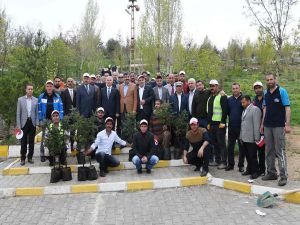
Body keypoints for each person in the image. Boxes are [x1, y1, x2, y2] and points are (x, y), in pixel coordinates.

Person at [261, 73, 291, 186]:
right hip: (268, 126)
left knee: (280, 151)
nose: (269, 81)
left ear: (275, 79)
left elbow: (287, 108)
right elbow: (265, 109)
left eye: (271, 79)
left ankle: (283, 176)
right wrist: (262, 124)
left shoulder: (282, 91)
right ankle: (271, 172)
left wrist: (287, 124)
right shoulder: (265, 93)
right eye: (267, 80)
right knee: (269, 150)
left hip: (279, 126)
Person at [38, 80, 64, 162]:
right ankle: (43, 154)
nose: (49, 88)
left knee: (57, 136)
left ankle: (57, 154)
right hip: (46, 120)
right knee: (44, 138)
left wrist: (61, 119)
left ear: (53, 87)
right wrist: (41, 120)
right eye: (48, 86)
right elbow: (39, 110)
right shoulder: (41, 97)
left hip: (55, 120)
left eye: (51, 86)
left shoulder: (57, 96)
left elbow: (61, 109)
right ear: (45, 87)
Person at [207, 79, 228, 169]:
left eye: (214, 86)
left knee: (221, 144)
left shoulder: (222, 96)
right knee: (215, 144)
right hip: (212, 124)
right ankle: (217, 160)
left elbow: (225, 110)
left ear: (217, 86)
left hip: (220, 124)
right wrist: (208, 123)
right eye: (211, 86)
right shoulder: (210, 97)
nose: (212, 87)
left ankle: (224, 162)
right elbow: (209, 111)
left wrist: (223, 121)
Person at [16, 84, 39, 165]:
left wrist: (37, 123)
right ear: (26, 90)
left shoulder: (36, 100)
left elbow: (37, 113)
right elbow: (18, 113)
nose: (30, 90)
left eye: (32, 89)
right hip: (23, 123)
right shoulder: (20, 100)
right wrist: (18, 125)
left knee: (31, 141)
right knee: (23, 141)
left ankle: (30, 157)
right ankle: (23, 158)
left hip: (32, 122)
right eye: (29, 89)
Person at [240, 95, 261, 179]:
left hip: (252, 138)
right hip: (244, 137)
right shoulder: (244, 110)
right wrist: (241, 136)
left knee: (253, 156)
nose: (242, 104)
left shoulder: (255, 110)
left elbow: (256, 124)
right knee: (247, 155)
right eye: (241, 102)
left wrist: (256, 137)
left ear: (249, 101)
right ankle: (249, 169)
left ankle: (256, 171)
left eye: (243, 102)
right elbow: (242, 124)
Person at [226, 83, 245, 172]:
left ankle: (241, 165)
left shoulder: (243, 99)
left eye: (236, 88)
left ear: (239, 88)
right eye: (233, 88)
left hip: (241, 127)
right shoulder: (229, 100)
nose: (235, 90)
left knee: (242, 147)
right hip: (231, 127)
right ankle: (230, 164)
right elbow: (228, 112)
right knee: (230, 146)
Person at [252, 81, 266, 176]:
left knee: (262, 150)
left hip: (264, 128)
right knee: (254, 149)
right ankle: (256, 169)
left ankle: (262, 170)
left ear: (262, 88)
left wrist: (262, 125)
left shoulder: (266, 98)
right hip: (255, 127)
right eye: (256, 88)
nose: (257, 90)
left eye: (259, 88)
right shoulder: (254, 100)